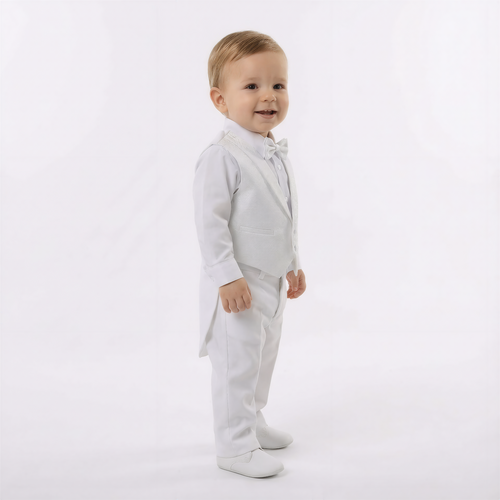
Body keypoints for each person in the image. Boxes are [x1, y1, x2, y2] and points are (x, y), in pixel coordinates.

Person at [192, 30, 306, 478]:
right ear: (220, 100)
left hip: (271, 278)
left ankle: (252, 421)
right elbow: (210, 223)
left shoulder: (274, 153)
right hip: (238, 283)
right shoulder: (221, 157)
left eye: (278, 84)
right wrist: (226, 275)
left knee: (262, 358)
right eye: (252, 86)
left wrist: (293, 264)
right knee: (237, 363)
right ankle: (234, 445)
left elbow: (283, 215)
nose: (269, 96)